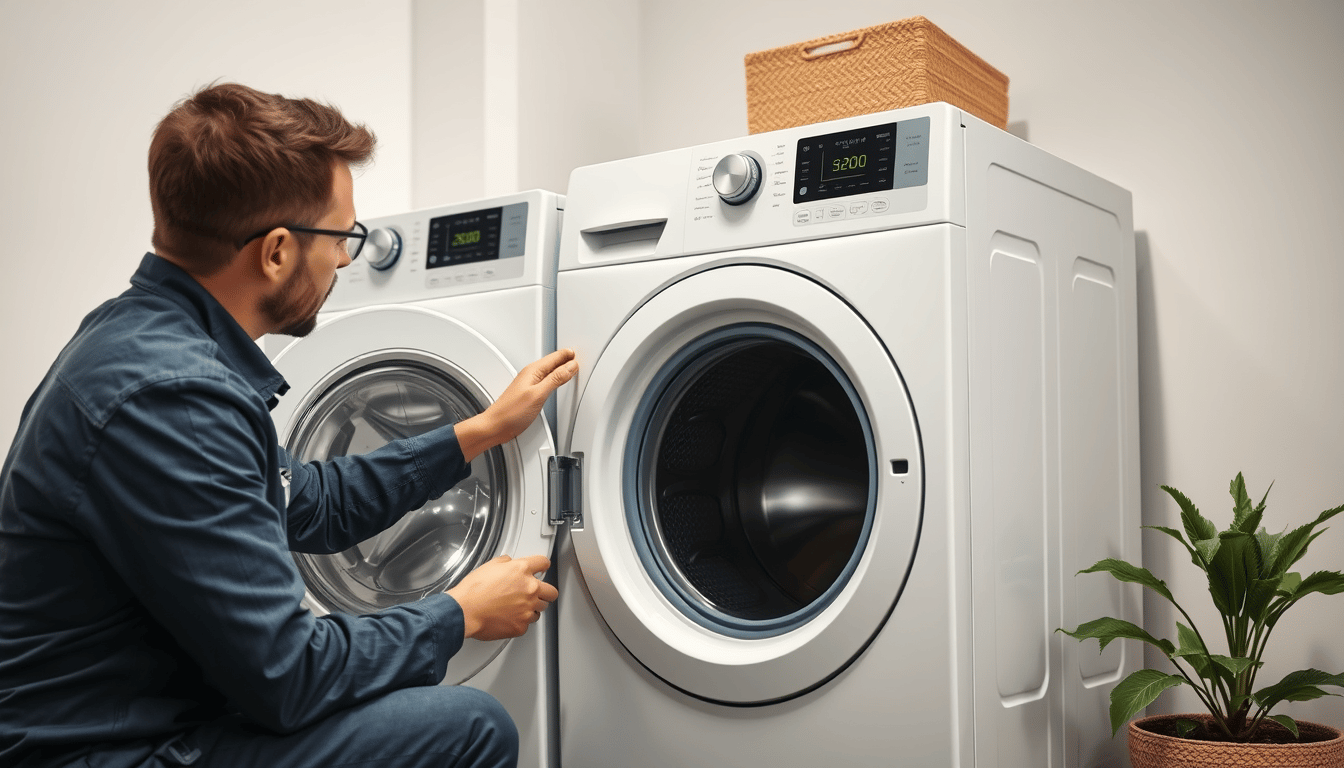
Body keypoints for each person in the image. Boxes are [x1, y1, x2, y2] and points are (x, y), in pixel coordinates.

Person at [0, 82, 576, 768]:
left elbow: (309, 501)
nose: (344, 259)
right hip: (109, 752)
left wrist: (478, 432)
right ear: (275, 251)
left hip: (145, 717)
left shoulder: (146, 339)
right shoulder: (175, 401)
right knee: (469, 726)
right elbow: (288, 678)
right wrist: (458, 613)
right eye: (343, 236)